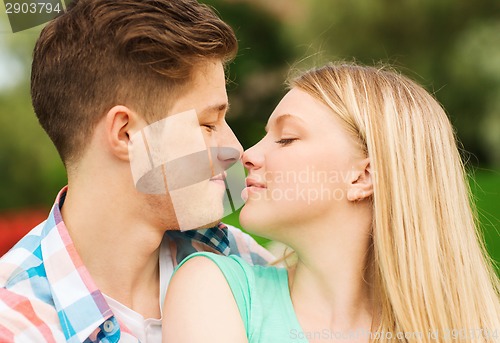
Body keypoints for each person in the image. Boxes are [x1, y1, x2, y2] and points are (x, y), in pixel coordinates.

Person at [163, 63, 500, 343]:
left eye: (286, 139)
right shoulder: (215, 289)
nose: (248, 155)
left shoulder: (473, 327)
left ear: (362, 176)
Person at [0, 0, 274, 341]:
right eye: (207, 124)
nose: (235, 149)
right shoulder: (16, 326)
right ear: (127, 134)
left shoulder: (246, 263)